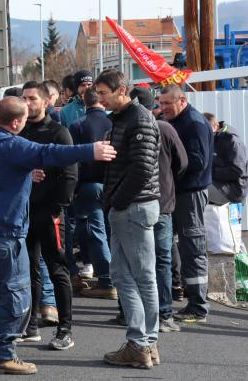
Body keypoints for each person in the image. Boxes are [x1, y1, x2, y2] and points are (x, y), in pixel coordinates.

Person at [0, 97, 116, 375]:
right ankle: (3, 354)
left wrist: (23, 174)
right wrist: (91, 150)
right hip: (6, 232)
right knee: (14, 295)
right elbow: (50, 152)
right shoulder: (11, 145)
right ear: (15, 122)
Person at [95, 70, 162, 369]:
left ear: (121, 90)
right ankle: (146, 343)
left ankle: (141, 344)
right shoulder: (125, 119)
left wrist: (118, 202)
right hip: (131, 207)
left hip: (133, 207)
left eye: (103, 93)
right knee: (128, 275)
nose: (99, 99)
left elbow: (142, 169)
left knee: (137, 277)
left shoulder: (139, 119)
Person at [18, 81, 79, 350]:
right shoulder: (18, 131)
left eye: (32, 98)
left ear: (45, 102)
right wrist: (26, 175)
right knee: (28, 270)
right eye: (24, 98)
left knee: (57, 268)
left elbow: (70, 173)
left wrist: (58, 207)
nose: (27, 102)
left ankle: (65, 329)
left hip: (50, 213)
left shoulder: (58, 132)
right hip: (24, 212)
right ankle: (30, 326)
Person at [129, 88, 188, 332]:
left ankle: (134, 313)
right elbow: (182, 163)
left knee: (133, 260)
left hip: (132, 204)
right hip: (162, 203)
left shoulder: (123, 129)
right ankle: (163, 313)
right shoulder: (165, 128)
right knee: (161, 259)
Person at [159, 84, 214, 324]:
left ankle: (198, 306)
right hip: (177, 193)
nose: (163, 108)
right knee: (176, 245)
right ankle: (183, 295)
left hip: (190, 194)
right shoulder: (179, 120)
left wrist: (170, 163)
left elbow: (198, 162)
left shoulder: (193, 123)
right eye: (161, 104)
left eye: (167, 104)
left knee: (192, 247)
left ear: (181, 100)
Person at [69, 88, 115, 300]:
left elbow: (74, 160)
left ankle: (105, 280)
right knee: (110, 232)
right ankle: (111, 278)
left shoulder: (78, 125)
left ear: (83, 102)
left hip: (88, 185)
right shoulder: (113, 122)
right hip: (112, 185)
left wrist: (74, 188)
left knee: (95, 233)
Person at [203, 112, 248, 206]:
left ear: (216, 126)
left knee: (193, 188)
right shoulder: (212, 138)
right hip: (217, 184)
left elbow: (237, 171)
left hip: (232, 191)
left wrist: (209, 172)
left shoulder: (232, 141)